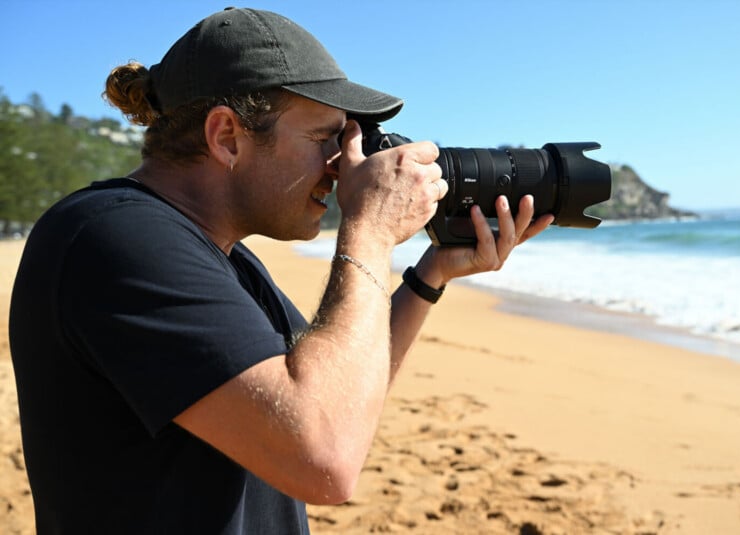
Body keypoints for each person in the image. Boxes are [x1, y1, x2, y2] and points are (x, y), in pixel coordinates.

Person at [9, 7, 553, 534]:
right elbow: (323, 454)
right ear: (227, 136)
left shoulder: (217, 255)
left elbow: (337, 389)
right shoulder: (114, 239)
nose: (342, 166)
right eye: (325, 139)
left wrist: (431, 273)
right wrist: (369, 230)